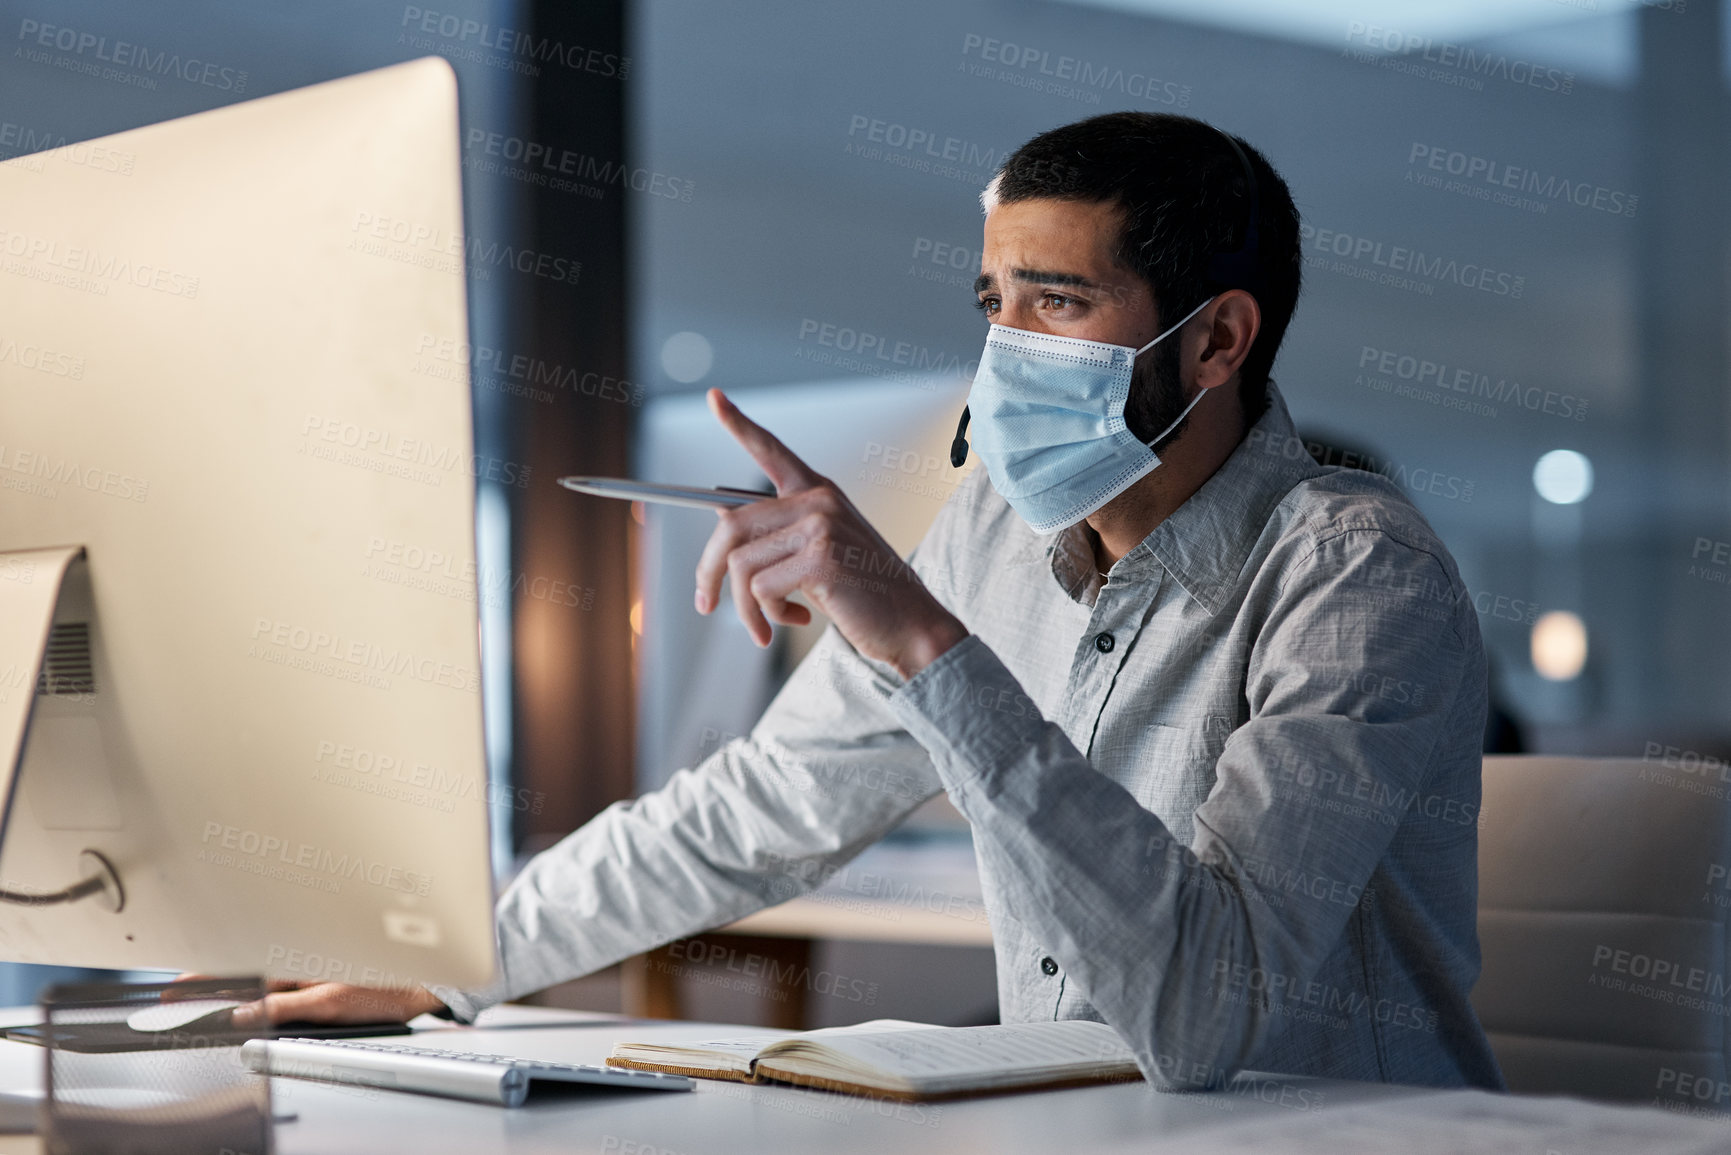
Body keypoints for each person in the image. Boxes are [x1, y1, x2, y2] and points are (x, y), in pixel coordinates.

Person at [233, 112, 1504, 1092]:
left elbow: (1205, 1015)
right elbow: (752, 813)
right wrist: (453, 965)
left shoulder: (1354, 574)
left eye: (1058, 303)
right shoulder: (1001, 534)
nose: (1005, 352)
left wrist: (925, 645)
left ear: (1219, 341)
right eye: (993, 303)